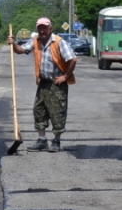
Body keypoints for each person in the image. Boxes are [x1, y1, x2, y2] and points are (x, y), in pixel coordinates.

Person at [7, 17, 76, 153]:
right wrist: (13, 44)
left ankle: (56, 141)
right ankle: (42, 140)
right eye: (40, 28)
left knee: (57, 113)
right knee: (39, 110)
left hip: (57, 83)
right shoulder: (36, 41)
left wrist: (65, 76)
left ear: (50, 29)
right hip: (43, 82)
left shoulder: (59, 42)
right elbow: (21, 50)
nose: (42, 30)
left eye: (45, 28)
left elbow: (72, 59)